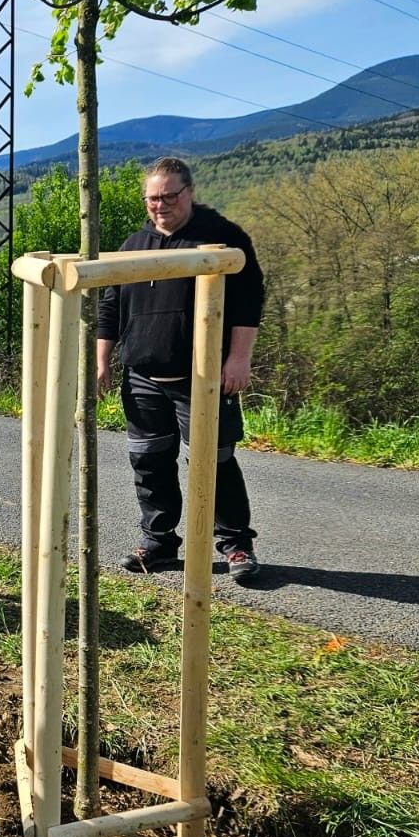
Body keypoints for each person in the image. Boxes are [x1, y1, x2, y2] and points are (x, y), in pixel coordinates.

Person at [96, 156, 265, 582]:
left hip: (204, 376)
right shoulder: (134, 246)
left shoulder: (223, 238)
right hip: (142, 377)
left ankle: (236, 544)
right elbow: (110, 305)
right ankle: (158, 542)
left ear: (189, 192)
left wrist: (239, 358)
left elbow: (249, 302)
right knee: (148, 461)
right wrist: (101, 360)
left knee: (216, 461)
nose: (160, 205)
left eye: (169, 196)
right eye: (152, 198)